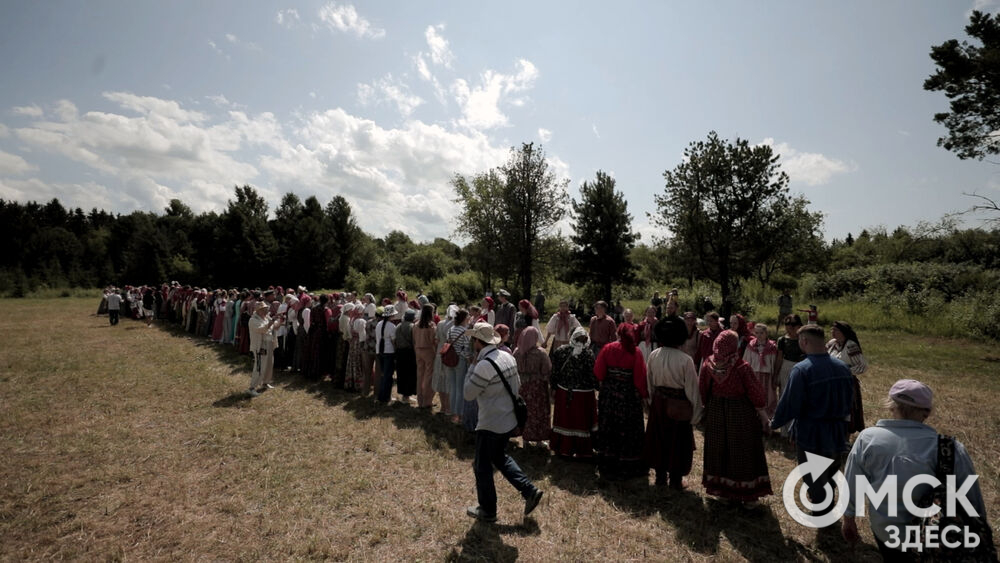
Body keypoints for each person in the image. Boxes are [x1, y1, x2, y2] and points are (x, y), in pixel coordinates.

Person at [841, 380, 993, 561]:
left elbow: (853, 482)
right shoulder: (949, 447)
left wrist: (849, 518)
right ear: (926, 413)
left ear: (891, 406)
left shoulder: (868, 439)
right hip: (936, 539)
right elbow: (971, 498)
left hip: (886, 533)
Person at [770, 324, 854, 518]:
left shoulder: (802, 369)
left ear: (804, 341)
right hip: (837, 430)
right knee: (830, 470)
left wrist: (774, 423)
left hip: (812, 431)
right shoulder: (843, 368)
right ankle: (825, 504)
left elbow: (790, 403)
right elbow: (850, 400)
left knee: (813, 475)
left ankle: (822, 513)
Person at [463, 322, 544, 523]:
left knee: (482, 467)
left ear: (478, 342)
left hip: (490, 423)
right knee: (500, 457)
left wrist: (472, 366)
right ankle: (529, 491)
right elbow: (517, 386)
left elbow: (468, 394)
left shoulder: (483, 365)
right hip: (508, 420)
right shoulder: (507, 356)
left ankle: (488, 510)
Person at [699, 330, 772, 505]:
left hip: (716, 412)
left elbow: (702, 390)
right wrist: (763, 416)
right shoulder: (741, 367)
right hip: (740, 414)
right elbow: (755, 393)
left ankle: (723, 492)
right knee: (742, 451)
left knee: (719, 449)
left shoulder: (707, 365)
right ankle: (748, 496)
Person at [644, 316, 703, 490]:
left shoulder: (654, 355)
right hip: (679, 406)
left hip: (659, 403)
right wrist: (696, 414)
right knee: (677, 443)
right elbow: (692, 389)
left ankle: (660, 477)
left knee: (659, 439)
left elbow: (649, 383)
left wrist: (651, 403)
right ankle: (675, 481)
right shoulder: (685, 360)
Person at [594, 324, 648, 479]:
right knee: (628, 427)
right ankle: (628, 461)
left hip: (610, 394)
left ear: (617, 334)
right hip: (628, 395)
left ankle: (607, 459)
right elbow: (639, 377)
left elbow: (598, 372)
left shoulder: (607, 348)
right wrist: (643, 395)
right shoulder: (635, 351)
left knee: (609, 425)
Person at [549, 327, 599, 459]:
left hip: (564, 392)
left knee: (565, 420)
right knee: (581, 421)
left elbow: (554, 372)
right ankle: (581, 450)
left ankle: (563, 449)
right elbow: (592, 375)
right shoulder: (588, 354)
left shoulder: (561, 351)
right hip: (583, 395)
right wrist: (598, 387)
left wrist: (553, 387)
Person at [513, 326, 552, 446]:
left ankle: (525, 440)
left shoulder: (517, 352)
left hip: (522, 386)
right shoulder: (540, 353)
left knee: (524, 412)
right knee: (537, 412)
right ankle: (539, 440)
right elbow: (547, 370)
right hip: (537, 387)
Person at [827, 320, 868, 433]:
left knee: (846, 411)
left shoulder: (850, 345)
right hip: (831, 382)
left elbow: (862, 366)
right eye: (832, 329)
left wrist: (845, 371)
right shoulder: (832, 344)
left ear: (843, 332)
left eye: (836, 330)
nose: (832, 332)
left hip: (846, 383)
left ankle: (845, 436)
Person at [774, 314, 805, 437]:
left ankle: (797, 430)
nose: (790, 327)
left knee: (799, 398)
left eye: (793, 324)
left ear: (799, 325)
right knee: (784, 397)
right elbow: (779, 358)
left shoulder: (804, 339)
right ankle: (785, 430)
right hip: (786, 368)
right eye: (787, 324)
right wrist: (776, 374)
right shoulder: (782, 340)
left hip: (801, 368)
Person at [743, 323, 779, 420]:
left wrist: (774, 375)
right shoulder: (751, 345)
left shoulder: (772, 346)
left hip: (767, 375)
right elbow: (746, 360)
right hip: (754, 375)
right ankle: (755, 417)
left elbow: (774, 362)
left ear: (766, 333)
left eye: (761, 333)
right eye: (757, 333)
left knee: (768, 396)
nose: (759, 335)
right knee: (755, 394)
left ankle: (768, 418)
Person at [248, 302, 282, 397]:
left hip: (270, 343)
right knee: (260, 366)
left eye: (267, 309)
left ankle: (265, 382)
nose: (267, 311)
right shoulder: (253, 320)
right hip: (260, 346)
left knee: (269, 364)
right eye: (265, 309)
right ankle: (252, 388)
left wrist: (280, 320)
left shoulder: (266, 317)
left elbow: (275, 327)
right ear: (259, 311)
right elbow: (262, 329)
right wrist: (272, 321)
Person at [446, 309, 472, 423]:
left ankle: (453, 413)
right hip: (460, 360)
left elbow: (448, 342)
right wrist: (469, 359)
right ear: (465, 318)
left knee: (453, 387)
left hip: (449, 359)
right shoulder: (466, 331)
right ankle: (459, 415)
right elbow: (466, 348)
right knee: (460, 388)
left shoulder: (451, 329)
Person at [412, 304, 438, 409]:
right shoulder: (431, 325)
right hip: (428, 351)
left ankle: (420, 400)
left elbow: (414, 339)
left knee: (420, 376)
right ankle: (427, 401)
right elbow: (433, 341)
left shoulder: (416, 324)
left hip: (418, 350)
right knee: (428, 376)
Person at [375, 306, 398, 404]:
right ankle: (385, 397)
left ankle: (381, 395)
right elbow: (393, 341)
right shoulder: (392, 326)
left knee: (383, 374)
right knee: (388, 376)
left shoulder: (379, 324)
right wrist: (396, 351)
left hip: (379, 351)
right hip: (389, 352)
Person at [395, 309, 417, 404]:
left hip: (399, 352)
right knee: (409, 374)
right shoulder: (412, 326)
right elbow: (414, 341)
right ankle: (407, 396)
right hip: (409, 352)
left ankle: (404, 394)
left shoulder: (398, 325)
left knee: (401, 374)